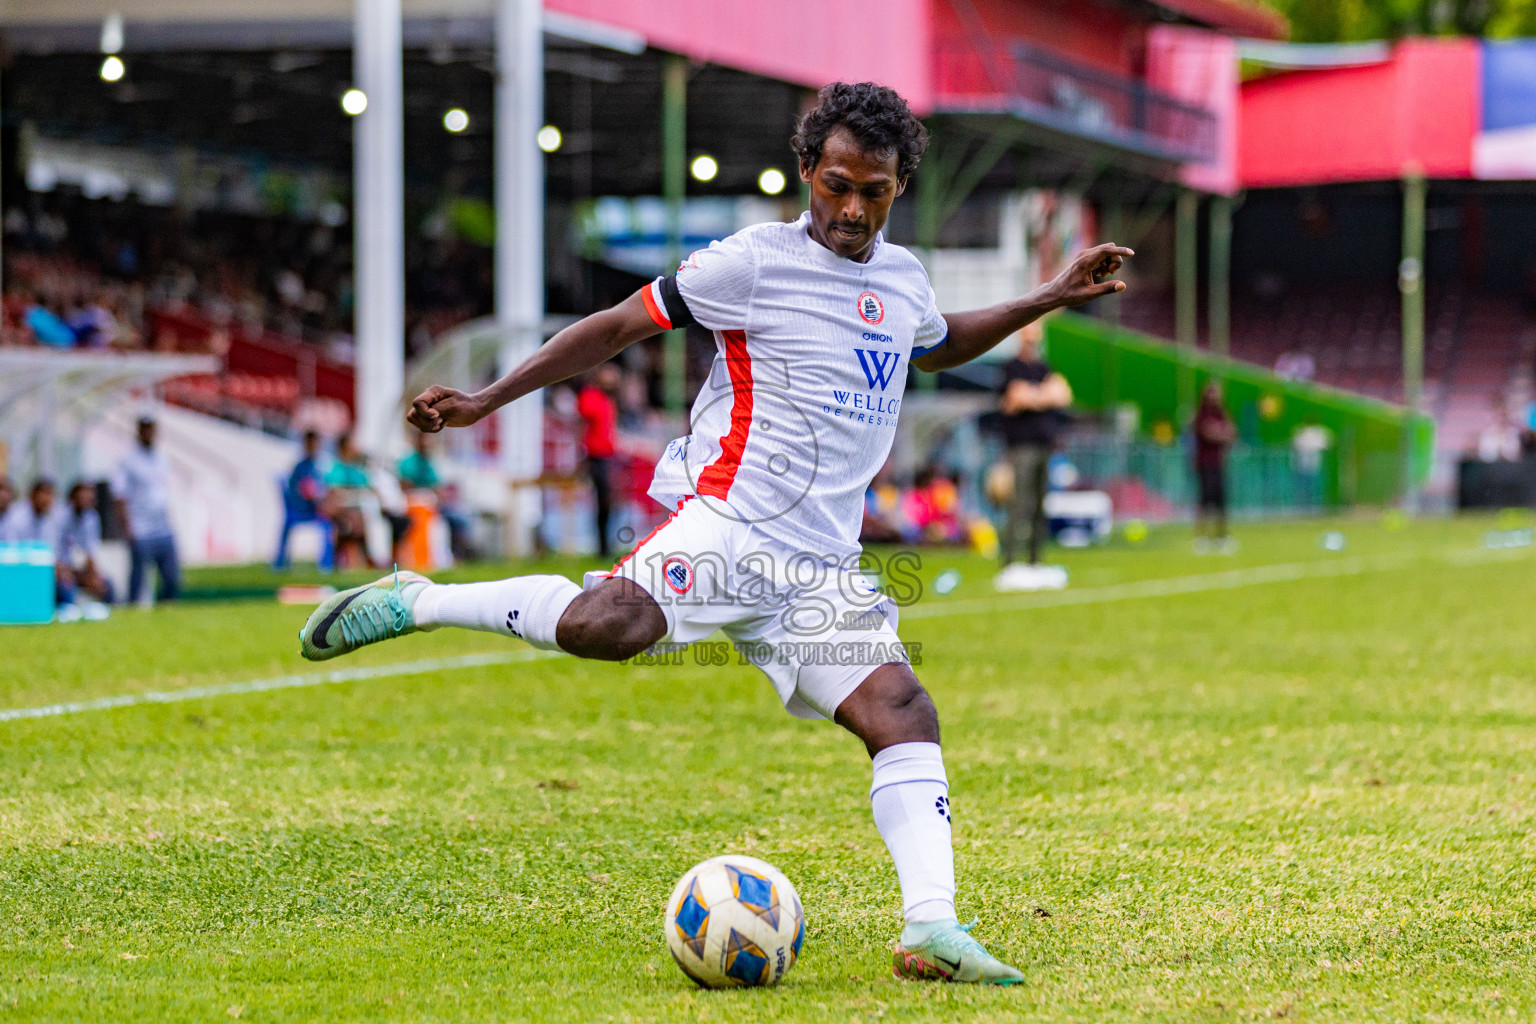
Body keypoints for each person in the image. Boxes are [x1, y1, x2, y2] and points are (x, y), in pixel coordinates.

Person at [298, 81, 1131, 986]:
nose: (852, 208)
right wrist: (486, 398)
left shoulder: (903, 277)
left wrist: (1047, 295)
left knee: (902, 712)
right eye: (837, 183)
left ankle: (931, 928)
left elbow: (934, 342)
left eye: (875, 190)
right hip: (731, 526)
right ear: (807, 169)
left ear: (899, 187)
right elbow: (620, 324)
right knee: (600, 627)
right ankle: (416, 599)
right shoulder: (751, 263)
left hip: (821, 567)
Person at [993, 321, 1071, 592]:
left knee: (1039, 505)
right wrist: (1044, 395)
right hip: (1020, 446)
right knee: (1019, 504)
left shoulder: (1044, 366)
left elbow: (1063, 395)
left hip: (1044, 445)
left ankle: (1035, 561)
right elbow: (1015, 399)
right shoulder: (1011, 367)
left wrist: (1033, 396)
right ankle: (1010, 561)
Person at [113, 415, 181, 605]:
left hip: (163, 527)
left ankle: (167, 614)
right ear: (139, 431)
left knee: (172, 578)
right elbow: (119, 496)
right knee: (138, 580)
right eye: (145, 428)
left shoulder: (162, 459)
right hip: (140, 529)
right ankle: (133, 614)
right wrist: (127, 528)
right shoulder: (128, 460)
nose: (149, 432)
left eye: (152, 428)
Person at [576, 363, 622, 558]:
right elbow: (581, 425)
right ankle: (602, 547)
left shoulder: (607, 400)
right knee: (602, 501)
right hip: (595, 456)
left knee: (609, 502)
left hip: (608, 455)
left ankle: (605, 545)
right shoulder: (589, 397)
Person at [275, 431, 333, 571]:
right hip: (302, 510)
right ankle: (326, 565)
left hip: (315, 508)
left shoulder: (319, 466)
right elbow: (300, 492)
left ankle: (329, 564)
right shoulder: (301, 467)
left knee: (330, 521)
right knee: (328, 522)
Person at [1193, 382, 1236, 552]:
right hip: (1205, 463)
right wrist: (1221, 433)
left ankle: (1221, 536)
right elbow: (1209, 434)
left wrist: (1222, 431)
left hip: (1219, 463)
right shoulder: (1202, 414)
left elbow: (1231, 432)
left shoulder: (1221, 413)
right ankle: (1201, 537)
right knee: (1205, 500)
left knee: (1221, 501)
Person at [59, 481, 115, 606]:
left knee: (107, 585)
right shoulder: (60, 516)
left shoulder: (91, 518)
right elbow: (55, 552)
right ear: (73, 497)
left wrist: (93, 576)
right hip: (61, 569)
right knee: (65, 587)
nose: (87, 497)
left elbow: (90, 552)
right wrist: (64, 571)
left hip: (80, 570)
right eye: (83, 493)